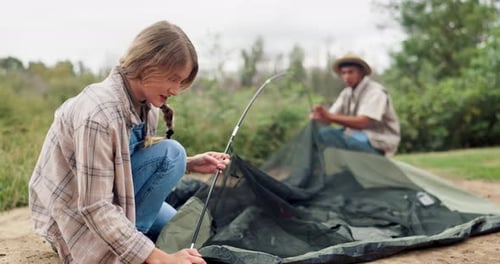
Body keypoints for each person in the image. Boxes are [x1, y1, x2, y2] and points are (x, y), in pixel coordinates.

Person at [28, 20, 230, 264]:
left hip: (115, 197)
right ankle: (127, 252)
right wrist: (157, 258)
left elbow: (124, 161)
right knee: (171, 154)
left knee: (179, 228)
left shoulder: (148, 106)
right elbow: (94, 205)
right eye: (173, 78)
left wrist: (190, 164)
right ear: (148, 63)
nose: (176, 90)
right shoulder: (98, 113)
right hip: (73, 217)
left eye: (181, 82)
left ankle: (134, 242)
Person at [310, 53, 400, 156]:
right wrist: (319, 116)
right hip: (356, 136)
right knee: (325, 135)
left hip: (379, 140)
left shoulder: (375, 92)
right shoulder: (346, 93)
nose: (346, 76)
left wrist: (329, 116)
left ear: (361, 73)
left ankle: (370, 163)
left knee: (342, 138)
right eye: (343, 73)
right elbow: (329, 118)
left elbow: (362, 122)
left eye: (351, 72)